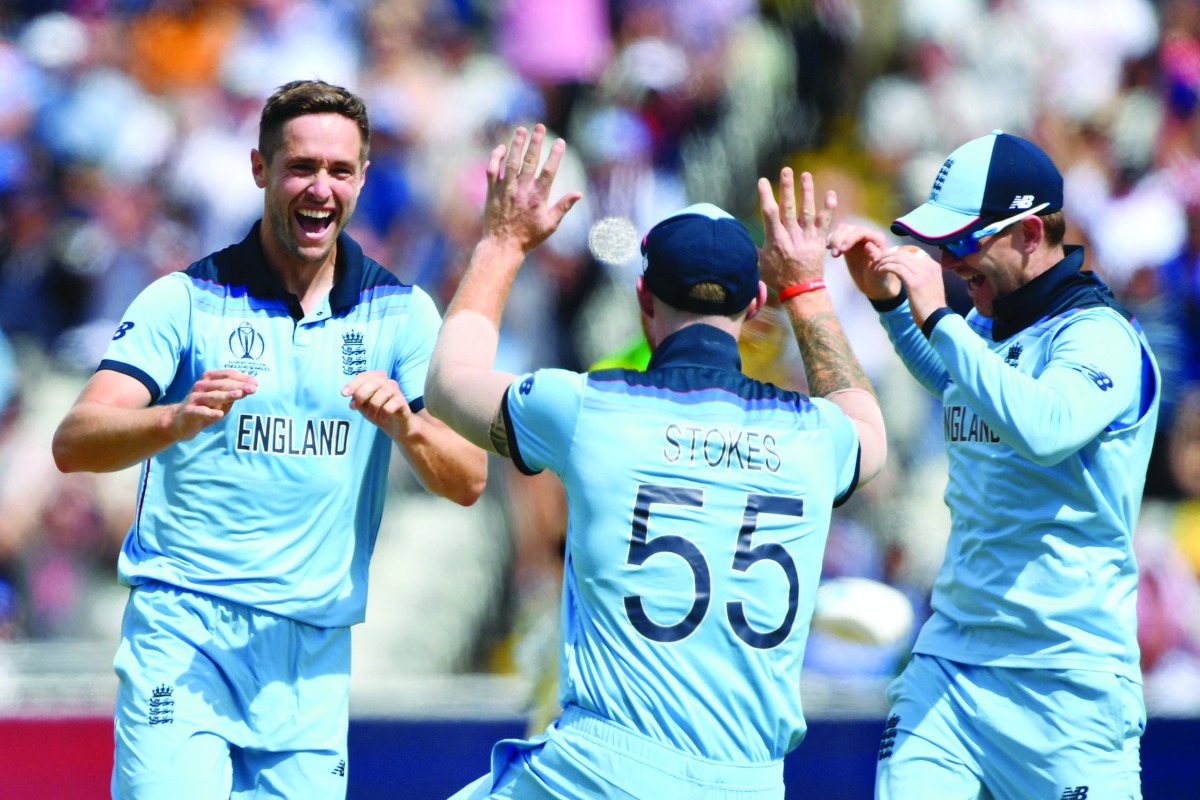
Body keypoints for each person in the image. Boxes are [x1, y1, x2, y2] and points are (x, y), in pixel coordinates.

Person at [50, 79, 487, 799]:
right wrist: (172, 420)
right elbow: (75, 440)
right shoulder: (185, 299)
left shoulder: (402, 314)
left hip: (310, 656)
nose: (321, 188)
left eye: (339, 170)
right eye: (301, 167)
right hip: (185, 636)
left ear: (363, 179)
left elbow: (468, 478)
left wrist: (406, 427)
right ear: (260, 169)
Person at [426, 123, 886, 798]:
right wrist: (808, 289)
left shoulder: (588, 407)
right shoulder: (818, 435)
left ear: (643, 300)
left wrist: (502, 242)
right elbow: (866, 421)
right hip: (751, 783)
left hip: (600, 774)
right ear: (756, 305)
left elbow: (448, 383)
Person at [827, 131, 1161, 799]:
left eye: (963, 242)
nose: (950, 263)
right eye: (943, 246)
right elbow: (959, 383)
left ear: (1031, 232)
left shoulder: (1100, 336)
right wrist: (890, 303)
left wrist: (936, 316)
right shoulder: (990, 326)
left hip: (1065, 680)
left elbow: (1044, 426)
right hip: (951, 660)